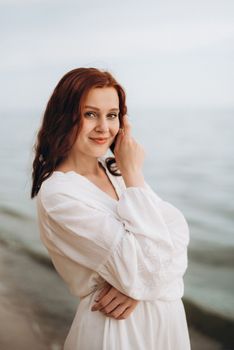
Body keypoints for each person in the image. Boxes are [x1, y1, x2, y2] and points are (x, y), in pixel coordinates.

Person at [31, 67, 191, 349]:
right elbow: (149, 265)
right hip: (118, 331)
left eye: (112, 115)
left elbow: (177, 234)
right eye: (90, 114)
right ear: (65, 117)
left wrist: (140, 285)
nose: (104, 127)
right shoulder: (59, 195)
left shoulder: (115, 174)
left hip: (166, 325)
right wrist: (133, 172)